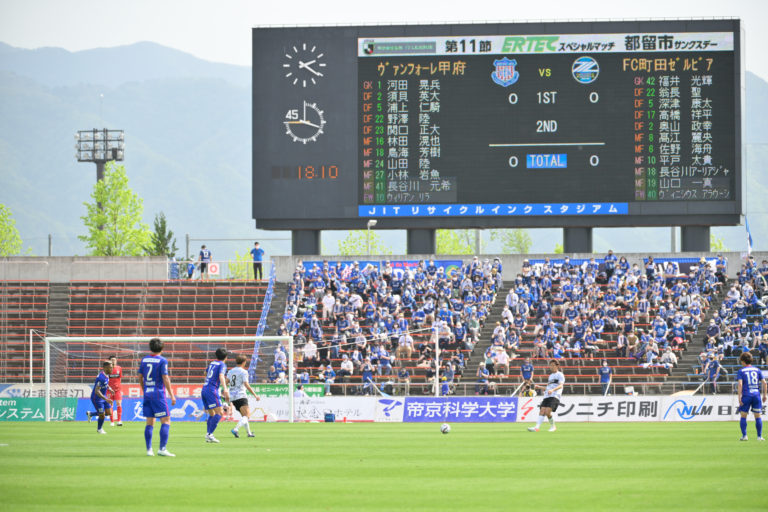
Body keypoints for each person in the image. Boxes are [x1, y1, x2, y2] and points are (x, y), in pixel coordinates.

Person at [138, 338, 177, 456]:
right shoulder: (162, 360)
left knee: (149, 422)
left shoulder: (144, 359)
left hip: (147, 393)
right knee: (166, 420)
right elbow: (165, 378)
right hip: (158, 394)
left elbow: (140, 377)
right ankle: (162, 449)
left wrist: (144, 389)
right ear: (162, 348)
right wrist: (172, 395)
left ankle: (149, 450)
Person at [227, 355, 260, 439]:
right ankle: (235, 429)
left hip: (233, 397)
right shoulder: (244, 372)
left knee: (244, 416)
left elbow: (226, 381)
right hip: (240, 395)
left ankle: (249, 433)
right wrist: (255, 395)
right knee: (247, 415)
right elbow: (246, 384)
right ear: (244, 362)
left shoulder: (231, 371)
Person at [528, 360, 565, 433]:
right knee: (542, 410)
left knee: (548, 412)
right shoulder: (550, 376)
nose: (551, 367)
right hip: (547, 396)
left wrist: (553, 390)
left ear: (557, 366)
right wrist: (539, 387)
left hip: (555, 396)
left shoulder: (560, 375)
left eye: (553, 365)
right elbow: (548, 388)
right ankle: (536, 428)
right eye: (550, 365)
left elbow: (561, 385)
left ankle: (553, 426)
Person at [202, 348, 230, 443]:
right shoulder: (222, 364)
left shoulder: (212, 363)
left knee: (212, 414)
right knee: (220, 413)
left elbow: (205, 373)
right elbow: (221, 375)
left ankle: (208, 434)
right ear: (226, 357)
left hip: (204, 389)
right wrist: (225, 388)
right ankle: (210, 434)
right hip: (212, 390)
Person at [736, 352, 766, 441]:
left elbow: (740, 384)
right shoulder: (757, 370)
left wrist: (739, 397)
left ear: (742, 361)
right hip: (756, 395)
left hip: (746, 395)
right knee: (758, 416)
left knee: (743, 416)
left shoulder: (741, 371)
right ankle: (759, 437)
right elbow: (764, 383)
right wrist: (764, 395)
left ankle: (744, 436)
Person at [87, 360, 113, 434]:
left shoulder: (106, 375)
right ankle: (99, 429)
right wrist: (106, 399)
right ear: (105, 368)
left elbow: (105, 383)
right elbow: (97, 391)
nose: (112, 369)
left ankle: (91, 414)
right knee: (102, 415)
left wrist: (109, 388)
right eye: (110, 367)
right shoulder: (101, 377)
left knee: (109, 413)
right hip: (97, 398)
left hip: (103, 396)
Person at [107, 355, 123, 426]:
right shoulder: (107, 369)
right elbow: (105, 379)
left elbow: (120, 378)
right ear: (110, 361)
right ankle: (112, 421)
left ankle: (119, 421)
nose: (113, 361)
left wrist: (119, 387)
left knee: (119, 403)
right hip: (109, 390)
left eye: (115, 360)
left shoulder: (119, 368)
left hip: (117, 390)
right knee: (110, 405)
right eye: (112, 360)